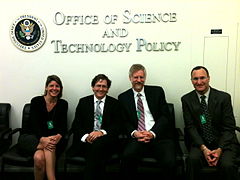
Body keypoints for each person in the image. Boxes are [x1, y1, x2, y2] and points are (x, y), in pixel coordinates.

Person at [118, 64, 176, 180]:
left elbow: (165, 117)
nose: (139, 80)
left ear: (145, 77)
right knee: (127, 157)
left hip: (159, 136)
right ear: (130, 78)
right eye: (135, 77)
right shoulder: (123, 97)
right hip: (137, 137)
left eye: (141, 77)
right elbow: (124, 121)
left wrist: (152, 133)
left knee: (170, 162)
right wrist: (135, 133)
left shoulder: (157, 91)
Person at [181, 66, 239, 180]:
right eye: (195, 79)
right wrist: (204, 148)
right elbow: (190, 127)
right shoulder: (186, 99)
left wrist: (219, 149)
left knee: (227, 165)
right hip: (200, 143)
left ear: (209, 78)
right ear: (191, 81)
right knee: (192, 160)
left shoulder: (224, 98)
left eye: (202, 78)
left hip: (224, 143)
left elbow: (229, 127)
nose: (199, 82)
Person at [67, 74, 121, 180]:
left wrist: (101, 132)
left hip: (106, 142)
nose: (101, 89)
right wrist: (87, 136)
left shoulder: (114, 104)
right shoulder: (83, 102)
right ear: (93, 87)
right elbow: (76, 124)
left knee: (97, 146)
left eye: (104, 86)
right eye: (98, 85)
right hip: (86, 142)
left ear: (108, 89)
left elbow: (118, 125)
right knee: (96, 149)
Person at [18, 75, 68, 180]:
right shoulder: (36, 101)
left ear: (60, 89)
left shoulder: (63, 104)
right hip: (33, 137)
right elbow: (34, 124)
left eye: (57, 86)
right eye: (51, 86)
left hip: (53, 139)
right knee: (50, 145)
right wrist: (42, 139)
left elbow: (63, 126)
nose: (54, 88)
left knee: (39, 158)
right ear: (46, 87)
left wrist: (59, 135)